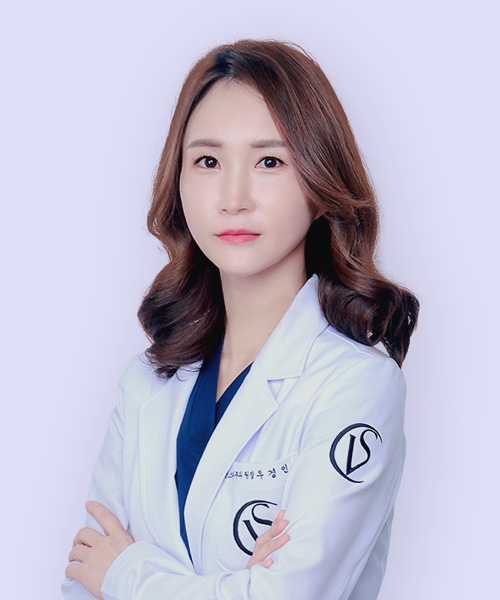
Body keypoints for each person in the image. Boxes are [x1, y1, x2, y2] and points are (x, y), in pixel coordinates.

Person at [62, 39, 419, 600]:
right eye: (208, 161)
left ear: (321, 184)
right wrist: (234, 585)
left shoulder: (356, 385)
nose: (233, 198)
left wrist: (126, 573)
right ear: (178, 182)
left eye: (269, 161)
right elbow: (81, 582)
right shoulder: (146, 383)